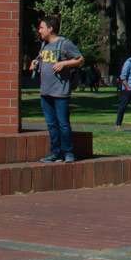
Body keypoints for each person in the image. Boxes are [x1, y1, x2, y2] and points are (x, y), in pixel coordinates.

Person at [32, 16, 83, 162]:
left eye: (41, 27)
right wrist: (36, 62)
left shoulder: (64, 43)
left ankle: (68, 153)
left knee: (63, 124)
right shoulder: (44, 45)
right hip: (45, 91)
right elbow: (42, 59)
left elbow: (80, 59)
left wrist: (64, 63)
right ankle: (55, 153)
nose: (39, 30)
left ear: (50, 29)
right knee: (51, 124)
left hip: (60, 92)